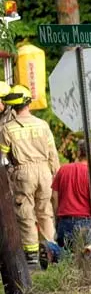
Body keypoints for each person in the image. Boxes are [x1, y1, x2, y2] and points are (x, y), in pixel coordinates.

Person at [0, 84, 60, 263]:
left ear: (12, 106)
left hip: (23, 172)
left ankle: (32, 253)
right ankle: (51, 250)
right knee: (45, 212)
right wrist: (55, 175)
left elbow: (3, 157)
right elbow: (52, 153)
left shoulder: (8, 128)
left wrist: (8, 174)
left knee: (25, 211)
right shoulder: (43, 125)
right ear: (28, 103)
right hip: (44, 172)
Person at [51, 139, 91, 251]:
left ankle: (52, 251)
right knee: (90, 253)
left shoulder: (63, 170)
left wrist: (57, 218)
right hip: (85, 223)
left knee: (67, 252)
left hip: (64, 221)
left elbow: (54, 197)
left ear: (78, 152)